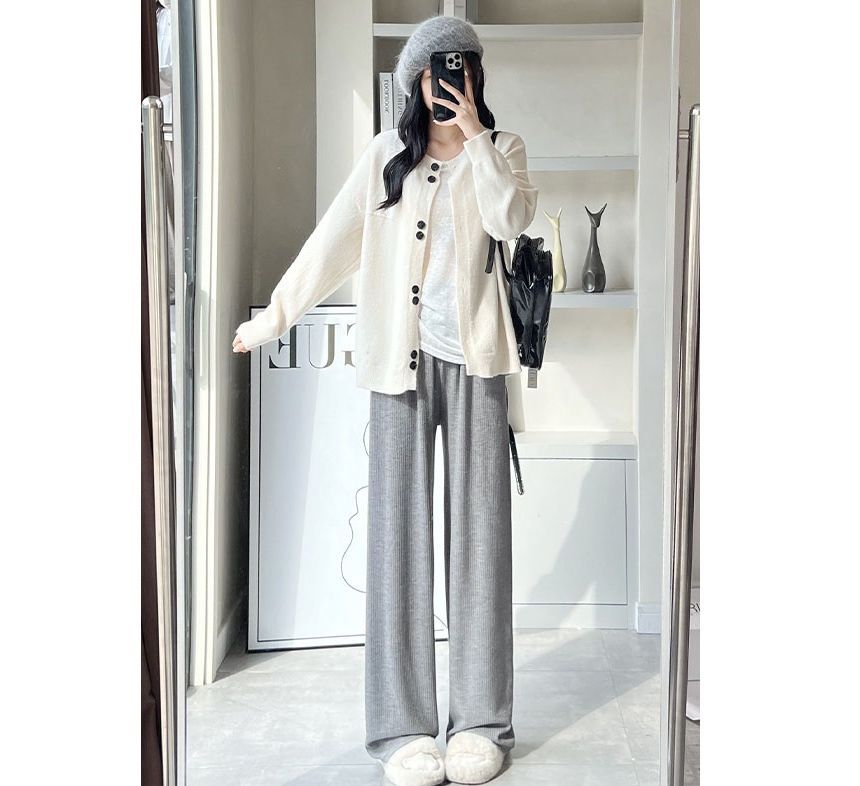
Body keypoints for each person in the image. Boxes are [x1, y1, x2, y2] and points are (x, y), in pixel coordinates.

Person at [233, 15, 538, 786]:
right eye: (435, 70)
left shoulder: (502, 150)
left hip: (478, 366)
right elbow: (332, 242)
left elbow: (512, 218)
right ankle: (403, 729)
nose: (448, 82)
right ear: (414, 81)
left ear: (477, 76)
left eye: (461, 67)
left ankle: (481, 724)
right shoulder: (384, 159)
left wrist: (475, 138)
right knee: (397, 543)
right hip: (397, 369)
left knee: (480, 544)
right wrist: (276, 317)